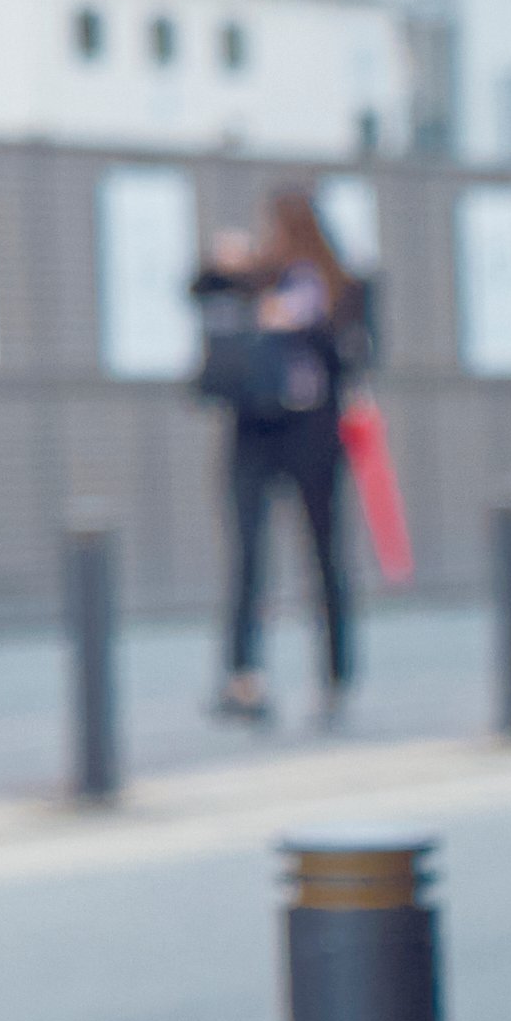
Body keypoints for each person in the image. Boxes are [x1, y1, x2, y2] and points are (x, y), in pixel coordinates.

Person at [191, 187, 375, 728]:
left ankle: (335, 677)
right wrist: (222, 262)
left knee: (321, 556)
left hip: (311, 433)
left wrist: (305, 325)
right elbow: (200, 291)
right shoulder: (258, 277)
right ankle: (246, 676)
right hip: (255, 430)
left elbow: (361, 354)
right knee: (252, 555)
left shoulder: (341, 286)